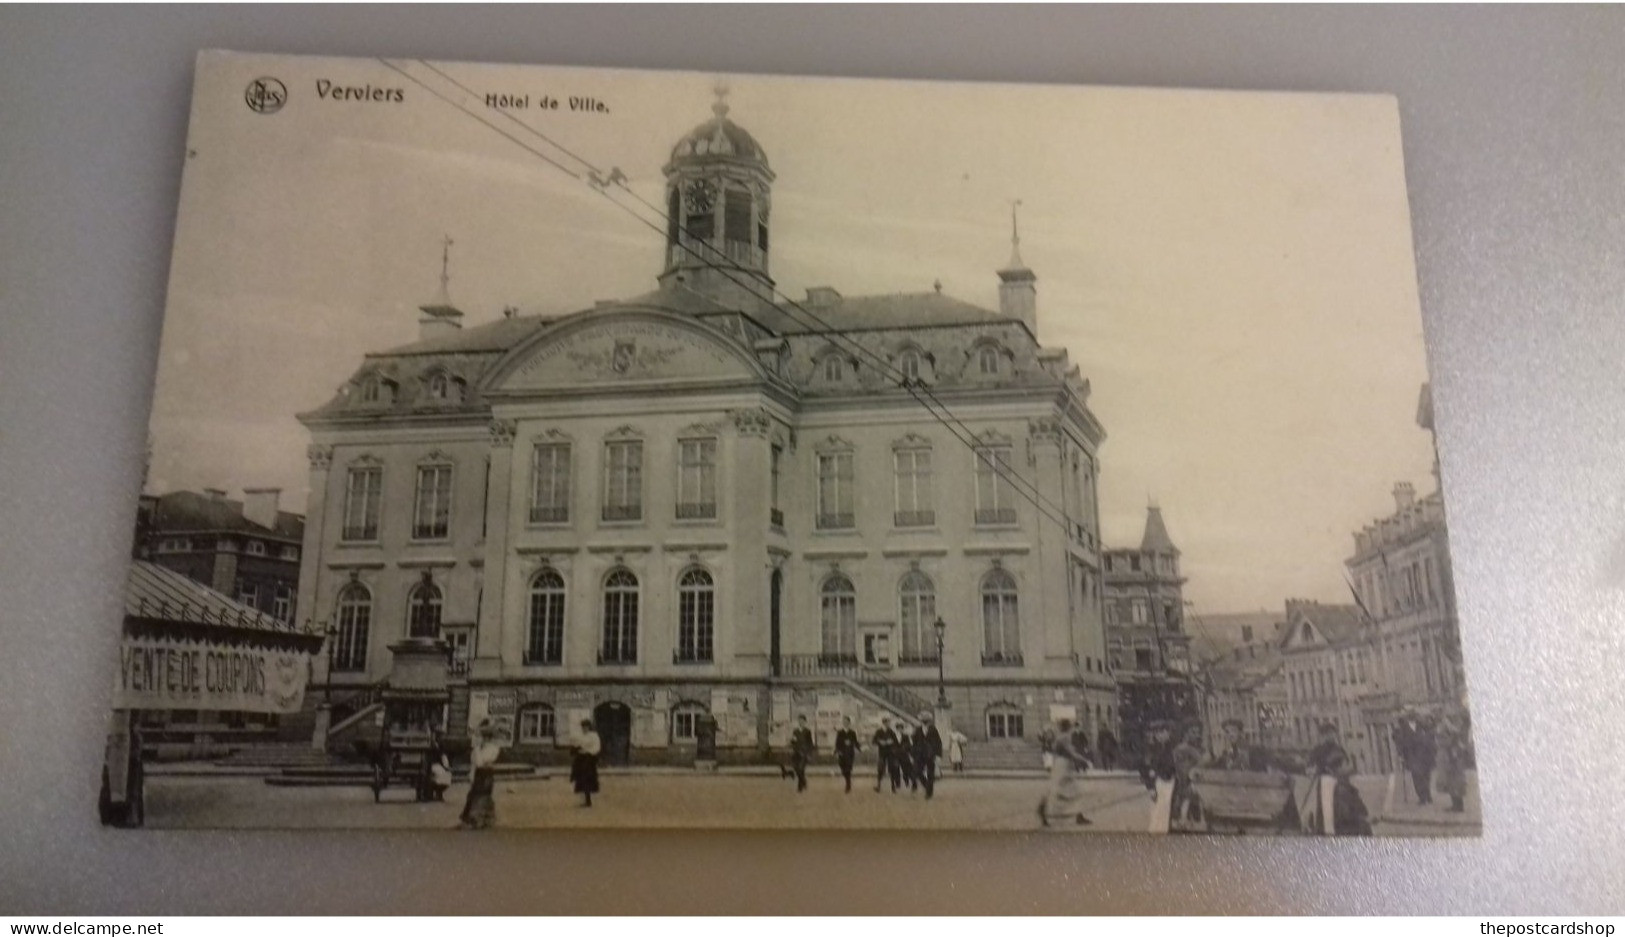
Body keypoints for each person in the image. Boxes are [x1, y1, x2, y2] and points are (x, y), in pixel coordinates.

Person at [1306, 722, 1372, 835]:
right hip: (1331, 784)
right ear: (1326, 735)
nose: (1333, 737)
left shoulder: (1324, 750)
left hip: (1328, 783)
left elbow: (1310, 769)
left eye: (1333, 734)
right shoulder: (1332, 750)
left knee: (1330, 808)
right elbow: (1345, 766)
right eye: (1331, 734)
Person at [1038, 718, 1093, 827]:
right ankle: (1044, 810)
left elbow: (1056, 749)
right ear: (1068, 727)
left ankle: (1045, 810)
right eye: (1070, 726)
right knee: (1068, 791)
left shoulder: (1059, 737)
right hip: (1063, 765)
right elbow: (1071, 753)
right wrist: (1084, 760)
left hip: (1061, 764)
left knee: (1066, 790)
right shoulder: (1065, 737)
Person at [459, 719, 502, 830]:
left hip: (486, 774)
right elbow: (474, 763)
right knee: (474, 795)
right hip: (479, 774)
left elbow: (480, 762)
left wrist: (477, 750)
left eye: (485, 737)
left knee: (483, 796)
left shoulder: (493, 749)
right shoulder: (478, 749)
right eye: (482, 736)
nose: (483, 739)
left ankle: (482, 819)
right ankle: (473, 819)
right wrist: (471, 775)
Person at [1171, 723, 1206, 826]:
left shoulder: (1177, 749)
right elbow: (1202, 763)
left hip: (1182, 782)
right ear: (1185, 733)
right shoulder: (1189, 749)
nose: (1197, 735)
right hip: (1188, 783)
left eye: (1198, 733)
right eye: (1193, 732)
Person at [1435, 714, 1470, 813]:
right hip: (1451, 759)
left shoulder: (1453, 739)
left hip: (1452, 759)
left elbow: (1448, 743)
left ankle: (1458, 806)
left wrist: (1451, 755)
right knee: (1452, 783)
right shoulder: (1453, 735)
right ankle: (1456, 805)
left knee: (1455, 782)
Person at [1403, 712, 1436, 805]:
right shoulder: (1404, 728)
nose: (1414, 718)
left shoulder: (1421, 725)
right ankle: (1422, 797)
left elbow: (1430, 734)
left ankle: (1427, 795)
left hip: (1424, 755)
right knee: (1417, 777)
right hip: (1413, 756)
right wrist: (1402, 755)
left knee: (1426, 776)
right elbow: (1402, 742)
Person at [912, 712, 944, 800]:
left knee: (930, 773)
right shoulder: (917, 729)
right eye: (923, 720)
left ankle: (929, 793)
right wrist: (913, 754)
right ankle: (926, 785)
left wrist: (938, 755)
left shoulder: (933, 729)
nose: (924, 721)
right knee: (917, 771)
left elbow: (938, 743)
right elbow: (914, 743)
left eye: (926, 720)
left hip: (930, 754)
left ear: (929, 721)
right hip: (920, 754)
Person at [570, 718, 601, 808]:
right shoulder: (580, 736)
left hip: (589, 759)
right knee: (580, 778)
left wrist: (587, 750)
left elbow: (597, 747)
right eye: (583, 727)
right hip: (580, 759)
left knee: (588, 778)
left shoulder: (593, 736)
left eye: (586, 727)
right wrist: (577, 748)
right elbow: (575, 745)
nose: (584, 728)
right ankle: (585, 799)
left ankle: (588, 800)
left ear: (589, 727)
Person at [834, 716, 861, 793]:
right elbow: (837, 743)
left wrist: (859, 748)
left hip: (849, 753)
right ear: (843, 723)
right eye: (844, 722)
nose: (845, 723)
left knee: (848, 769)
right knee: (843, 769)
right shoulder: (840, 732)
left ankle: (848, 784)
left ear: (849, 723)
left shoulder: (852, 733)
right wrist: (837, 751)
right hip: (842, 753)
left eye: (847, 722)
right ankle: (848, 780)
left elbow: (855, 742)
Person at [872, 718, 900, 793]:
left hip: (890, 753)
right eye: (887, 723)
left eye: (889, 723)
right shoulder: (879, 731)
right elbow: (874, 741)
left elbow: (896, 742)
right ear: (884, 723)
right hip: (882, 753)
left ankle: (893, 786)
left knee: (892, 769)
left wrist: (891, 742)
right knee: (880, 769)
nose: (888, 724)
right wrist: (880, 742)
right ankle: (878, 786)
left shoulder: (891, 732)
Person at [789, 715, 815, 793]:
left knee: (801, 769)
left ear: (805, 722)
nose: (801, 722)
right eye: (799, 721)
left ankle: (800, 787)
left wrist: (809, 753)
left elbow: (810, 743)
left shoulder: (807, 731)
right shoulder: (795, 731)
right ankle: (804, 781)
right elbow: (793, 741)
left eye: (802, 721)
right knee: (796, 769)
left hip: (804, 753)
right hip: (796, 752)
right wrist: (792, 742)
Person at [894, 722, 917, 793]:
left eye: (901, 728)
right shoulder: (893, 736)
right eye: (898, 728)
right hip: (896, 755)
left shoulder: (905, 736)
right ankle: (898, 784)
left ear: (902, 729)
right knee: (896, 769)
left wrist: (906, 749)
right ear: (896, 729)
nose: (899, 729)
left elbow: (909, 745)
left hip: (904, 755)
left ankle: (913, 783)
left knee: (907, 770)